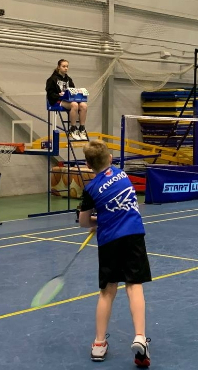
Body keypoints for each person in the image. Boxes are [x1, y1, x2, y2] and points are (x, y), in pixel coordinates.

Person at [78, 140, 152, 367]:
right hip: (133, 235)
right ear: (110, 159)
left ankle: (99, 343)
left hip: (109, 240)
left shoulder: (90, 189)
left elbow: (83, 222)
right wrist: (103, 218)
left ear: (88, 165)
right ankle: (140, 337)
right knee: (134, 285)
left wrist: (97, 221)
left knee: (107, 292)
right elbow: (123, 206)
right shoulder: (122, 174)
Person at [45, 59, 88, 140]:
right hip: (57, 100)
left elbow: (73, 90)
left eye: (67, 66)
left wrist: (79, 92)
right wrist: (58, 95)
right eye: (63, 66)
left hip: (69, 100)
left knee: (84, 105)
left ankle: (82, 128)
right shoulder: (52, 79)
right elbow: (50, 94)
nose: (66, 68)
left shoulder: (69, 79)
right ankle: (73, 129)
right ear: (58, 67)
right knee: (74, 105)